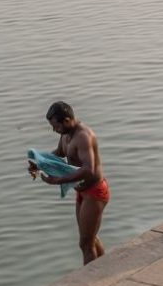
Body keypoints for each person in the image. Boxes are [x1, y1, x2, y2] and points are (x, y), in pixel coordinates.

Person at [27, 101, 109, 264]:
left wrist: (59, 180)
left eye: (56, 126)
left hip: (95, 191)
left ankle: (90, 283)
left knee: (85, 243)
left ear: (66, 120)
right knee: (89, 237)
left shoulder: (83, 136)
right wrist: (37, 163)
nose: (54, 130)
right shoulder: (65, 135)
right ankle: (104, 267)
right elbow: (58, 154)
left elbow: (88, 169)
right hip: (82, 191)